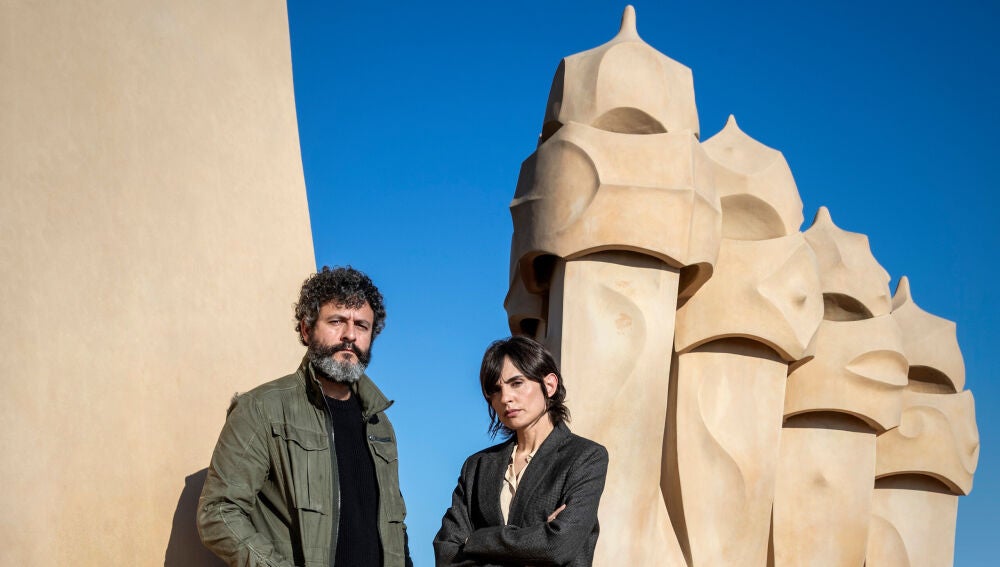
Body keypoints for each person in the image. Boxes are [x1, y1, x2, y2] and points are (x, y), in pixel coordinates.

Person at [198, 266, 412, 567]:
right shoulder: (261, 409)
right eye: (337, 321)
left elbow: (395, 529)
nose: (350, 335)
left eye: (362, 326)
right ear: (306, 329)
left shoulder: (379, 422)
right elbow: (218, 512)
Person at [433, 336, 609, 566]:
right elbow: (447, 551)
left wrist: (476, 540)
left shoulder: (584, 457)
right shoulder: (477, 466)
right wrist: (535, 538)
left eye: (516, 383)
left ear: (549, 385)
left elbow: (558, 546)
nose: (505, 398)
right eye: (495, 390)